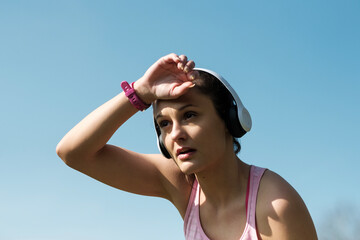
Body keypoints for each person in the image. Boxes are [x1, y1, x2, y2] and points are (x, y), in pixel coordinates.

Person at [56, 53, 318, 240]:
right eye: (164, 125)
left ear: (228, 120)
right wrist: (140, 92)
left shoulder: (276, 205)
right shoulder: (180, 183)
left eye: (190, 115)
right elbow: (73, 152)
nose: (176, 134)